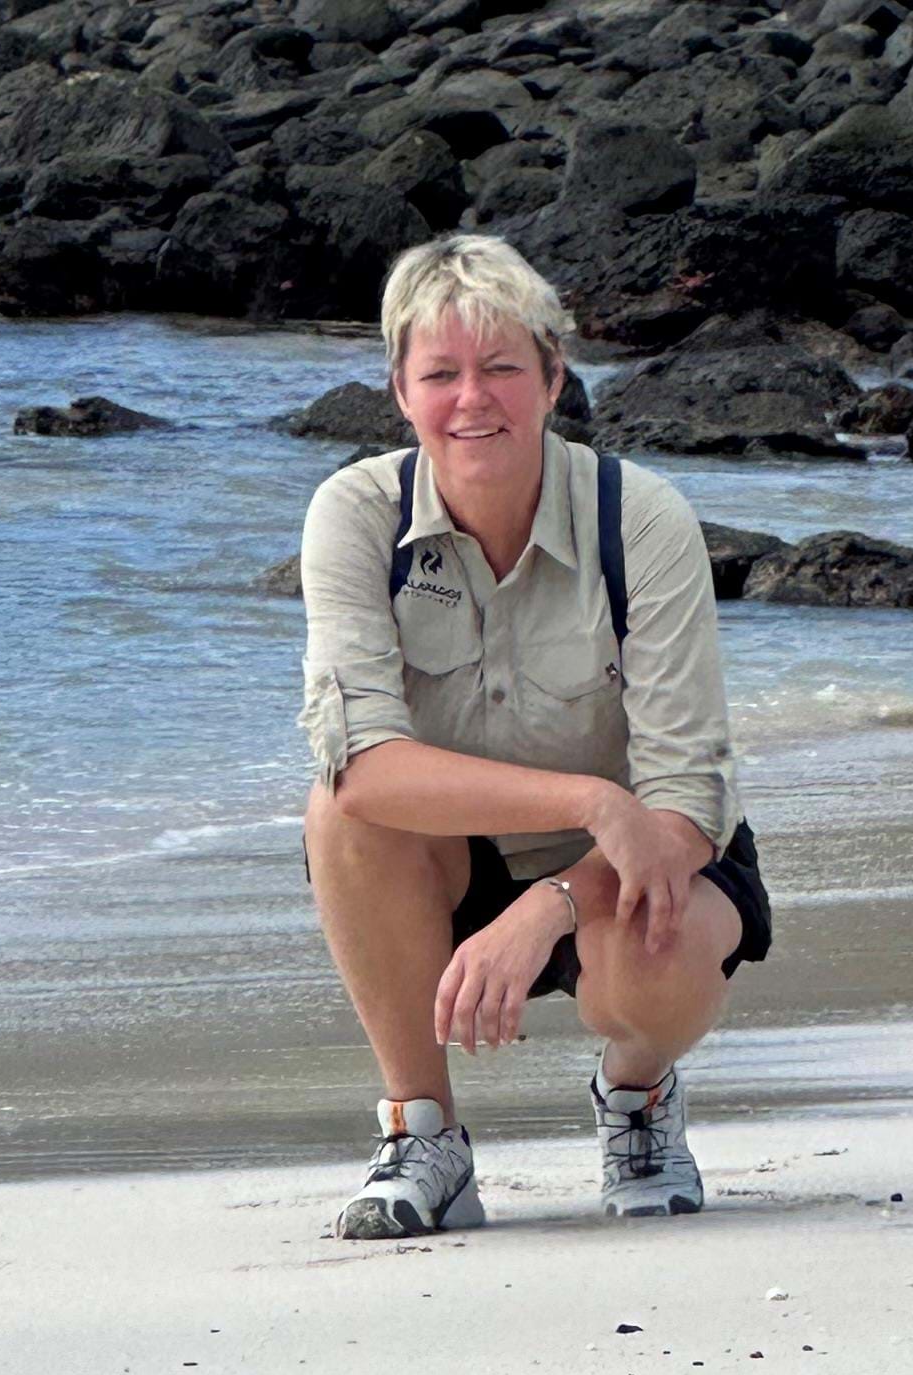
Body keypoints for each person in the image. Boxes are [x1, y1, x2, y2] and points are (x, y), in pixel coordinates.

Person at [298, 234, 770, 1237]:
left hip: (642, 861)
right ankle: (423, 1135)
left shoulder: (639, 518)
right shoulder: (356, 515)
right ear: (400, 391)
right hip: (457, 859)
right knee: (340, 813)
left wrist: (554, 900)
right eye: (441, 374)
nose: (473, 399)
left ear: (554, 379)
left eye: (503, 368)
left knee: (655, 969)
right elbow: (366, 767)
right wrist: (587, 800)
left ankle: (638, 1094)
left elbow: (688, 802)